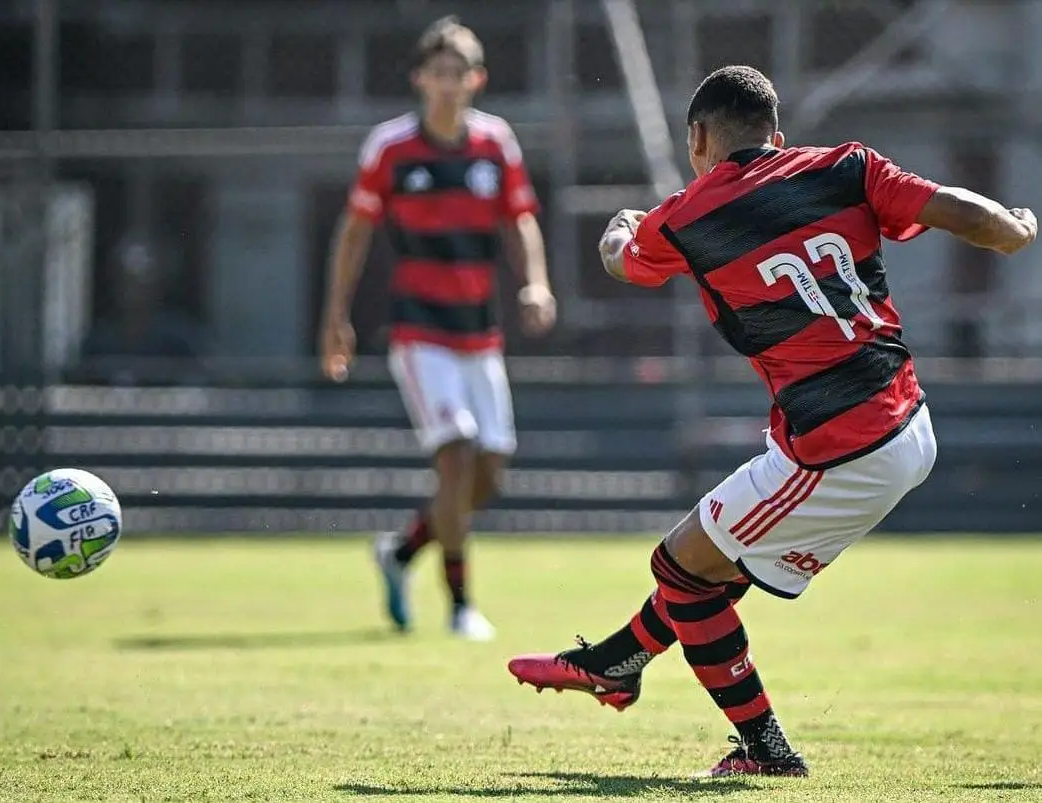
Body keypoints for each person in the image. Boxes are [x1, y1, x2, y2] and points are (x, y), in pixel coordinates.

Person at [507, 65, 1036, 776]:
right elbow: (958, 210)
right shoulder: (846, 167)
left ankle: (767, 751)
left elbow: (621, 263)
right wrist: (1015, 229)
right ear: (776, 136)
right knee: (711, 565)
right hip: (908, 420)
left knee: (680, 566)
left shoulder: (685, 215)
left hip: (837, 448)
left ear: (697, 138)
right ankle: (614, 660)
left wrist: (620, 225)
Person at [319, 16, 556, 641]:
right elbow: (354, 232)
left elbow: (521, 221)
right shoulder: (390, 148)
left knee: (488, 472)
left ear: (477, 79)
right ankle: (460, 605)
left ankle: (400, 553)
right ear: (419, 79)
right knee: (455, 456)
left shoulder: (495, 144)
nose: (449, 86)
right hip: (420, 334)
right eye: (438, 74)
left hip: (481, 334)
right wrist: (335, 317)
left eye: (460, 74)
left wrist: (536, 282)